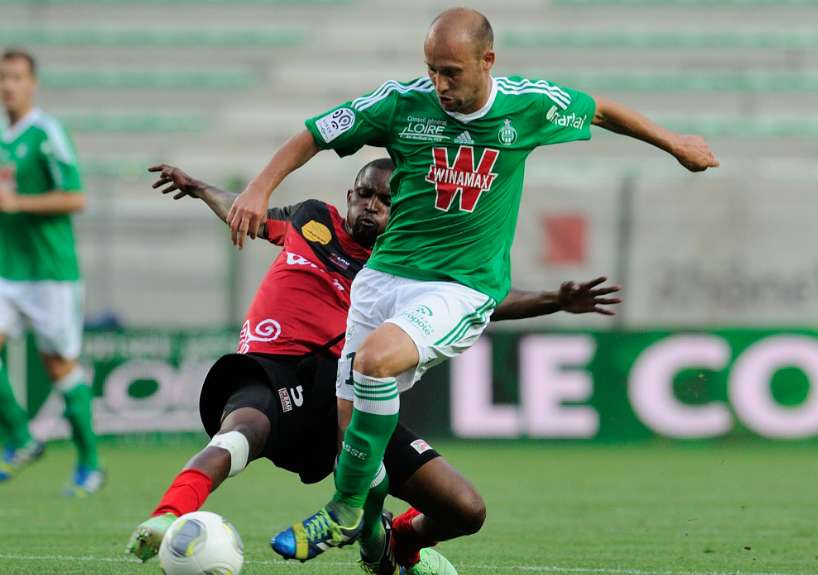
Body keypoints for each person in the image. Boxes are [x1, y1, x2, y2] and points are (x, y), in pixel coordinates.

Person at [225, 7, 719, 562]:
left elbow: (600, 110)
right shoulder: (401, 102)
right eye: (433, 70)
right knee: (357, 448)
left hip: (459, 286)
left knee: (374, 365)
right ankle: (380, 548)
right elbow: (315, 133)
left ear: (488, 61)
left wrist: (675, 142)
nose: (440, 84)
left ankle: (342, 512)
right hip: (382, 279)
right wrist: (259, 187)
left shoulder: (528, 105)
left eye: (452, 72)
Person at [127, 162, 621, 575]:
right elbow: (248, 213)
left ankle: (399, 537)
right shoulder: (310, 220)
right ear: (349, 194)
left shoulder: (410, 266)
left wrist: (553, 300)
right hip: (271, 371)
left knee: (465, 509)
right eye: (363, 194)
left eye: (383, 201)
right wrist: (198, 189)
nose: (370, 205)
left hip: (345, 393)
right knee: (241, 431)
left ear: (401, 209)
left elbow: (485, 301)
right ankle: (168, 513)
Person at [0, 48, 102, 495]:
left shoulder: (46, 133)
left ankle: (90, 465)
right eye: (3, 77)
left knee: (60, 366)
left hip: (50, 273)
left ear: (32, 83)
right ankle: (21, 438)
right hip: (7, 269)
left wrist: (19, 204)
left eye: (16, 77)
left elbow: (76, 198)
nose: (8, 85)